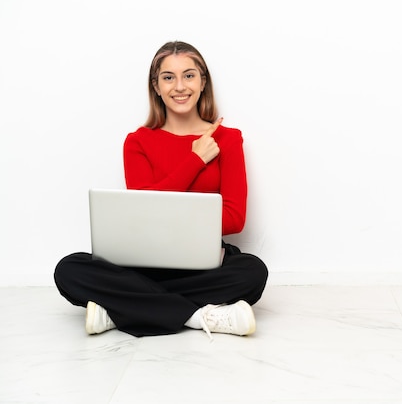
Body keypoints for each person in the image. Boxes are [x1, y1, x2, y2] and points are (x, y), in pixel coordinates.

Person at [54, 41, 268, 339]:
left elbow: (234, 219)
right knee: (69, 269)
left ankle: (119, 310)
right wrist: (195, 160)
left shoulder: (227, 140)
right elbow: (143, 212)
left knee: (252, 272)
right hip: (144, 262)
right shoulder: (138, 142)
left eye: (189, 75)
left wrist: (173, 212)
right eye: (168, 77)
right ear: (155, 86)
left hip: (203, 262)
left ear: (203, 81)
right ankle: (199, 316)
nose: (179, 86)